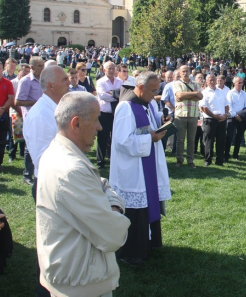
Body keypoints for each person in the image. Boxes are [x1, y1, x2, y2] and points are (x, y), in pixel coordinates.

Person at [36, 92, 130, 297]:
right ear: (76, 123)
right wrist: (114, 207)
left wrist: (104, 194)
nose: (100, 126)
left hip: (76, 275)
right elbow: (113, 234)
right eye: (96, 119)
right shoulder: (71, 169)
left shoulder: (61, 153)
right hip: (81, 283)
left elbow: (100, 183)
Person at [110, 72, 170, 266]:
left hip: (147, 164)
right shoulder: (126, 107)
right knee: (136, 210)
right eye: (153, 90)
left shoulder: (147, 104)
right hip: (132, 169)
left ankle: (148, 244)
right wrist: (149, 139)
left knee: (147, 203)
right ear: (141, 88)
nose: (156, 95)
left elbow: (147, 127)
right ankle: (131, 252)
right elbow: (122, 140)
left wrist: (161, 124)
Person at [24, 66, 70, 201]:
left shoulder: (55, 108)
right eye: (64, 80)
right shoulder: (40, 115)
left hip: (62, 181)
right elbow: (42, 160)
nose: (69, 82)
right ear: (51, 86)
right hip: (50, 184)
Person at [16, 56, 45, 185]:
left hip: (43, 116)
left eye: (43, 65)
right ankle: (27, 174)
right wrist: (37, 102)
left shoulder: (43, 80)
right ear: (32, 67)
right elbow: (18, 101)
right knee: (30, 146)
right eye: (40, 66)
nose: (42, 68)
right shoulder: (26, 81)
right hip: (31, 117)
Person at [173, 65, 203, 168]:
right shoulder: (176, 83)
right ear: (180, 73)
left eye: (187, 71)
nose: (185, 73)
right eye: (183, 71)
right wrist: (194, 93)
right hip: (180, 115)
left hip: (193, 115)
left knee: (191, 139)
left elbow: (200, 96)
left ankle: (190, 160)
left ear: (190, 72)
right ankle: (179, 160)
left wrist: (186, 96)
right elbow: (179, 95)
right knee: (180, 139)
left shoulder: (195, 83)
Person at [96, 61, 123, 168]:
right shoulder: (100, 82)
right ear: (104, 70)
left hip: (116, 114)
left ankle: (113, 159)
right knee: (102, 138)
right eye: (109, 68)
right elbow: (102, 96)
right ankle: (100, 161)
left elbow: (123, 94)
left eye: (113, 68)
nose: (111, 70)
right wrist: (116, 95)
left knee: (115, 138)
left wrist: (112, 93)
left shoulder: (119, 82)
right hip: (104, 114)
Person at [200, 74, 229, 167]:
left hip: (221, 120)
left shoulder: (221, 92)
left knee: (221, 140)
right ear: (207, 82)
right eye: (210, 80)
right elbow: (203, 108)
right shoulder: (204, 93)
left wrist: (225, 114)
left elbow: (226, 105)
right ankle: (208, 160)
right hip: (210, 119)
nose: (212, 82)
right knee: (209, 141)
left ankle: (219, 160)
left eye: (213, 80)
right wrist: (214, 116)